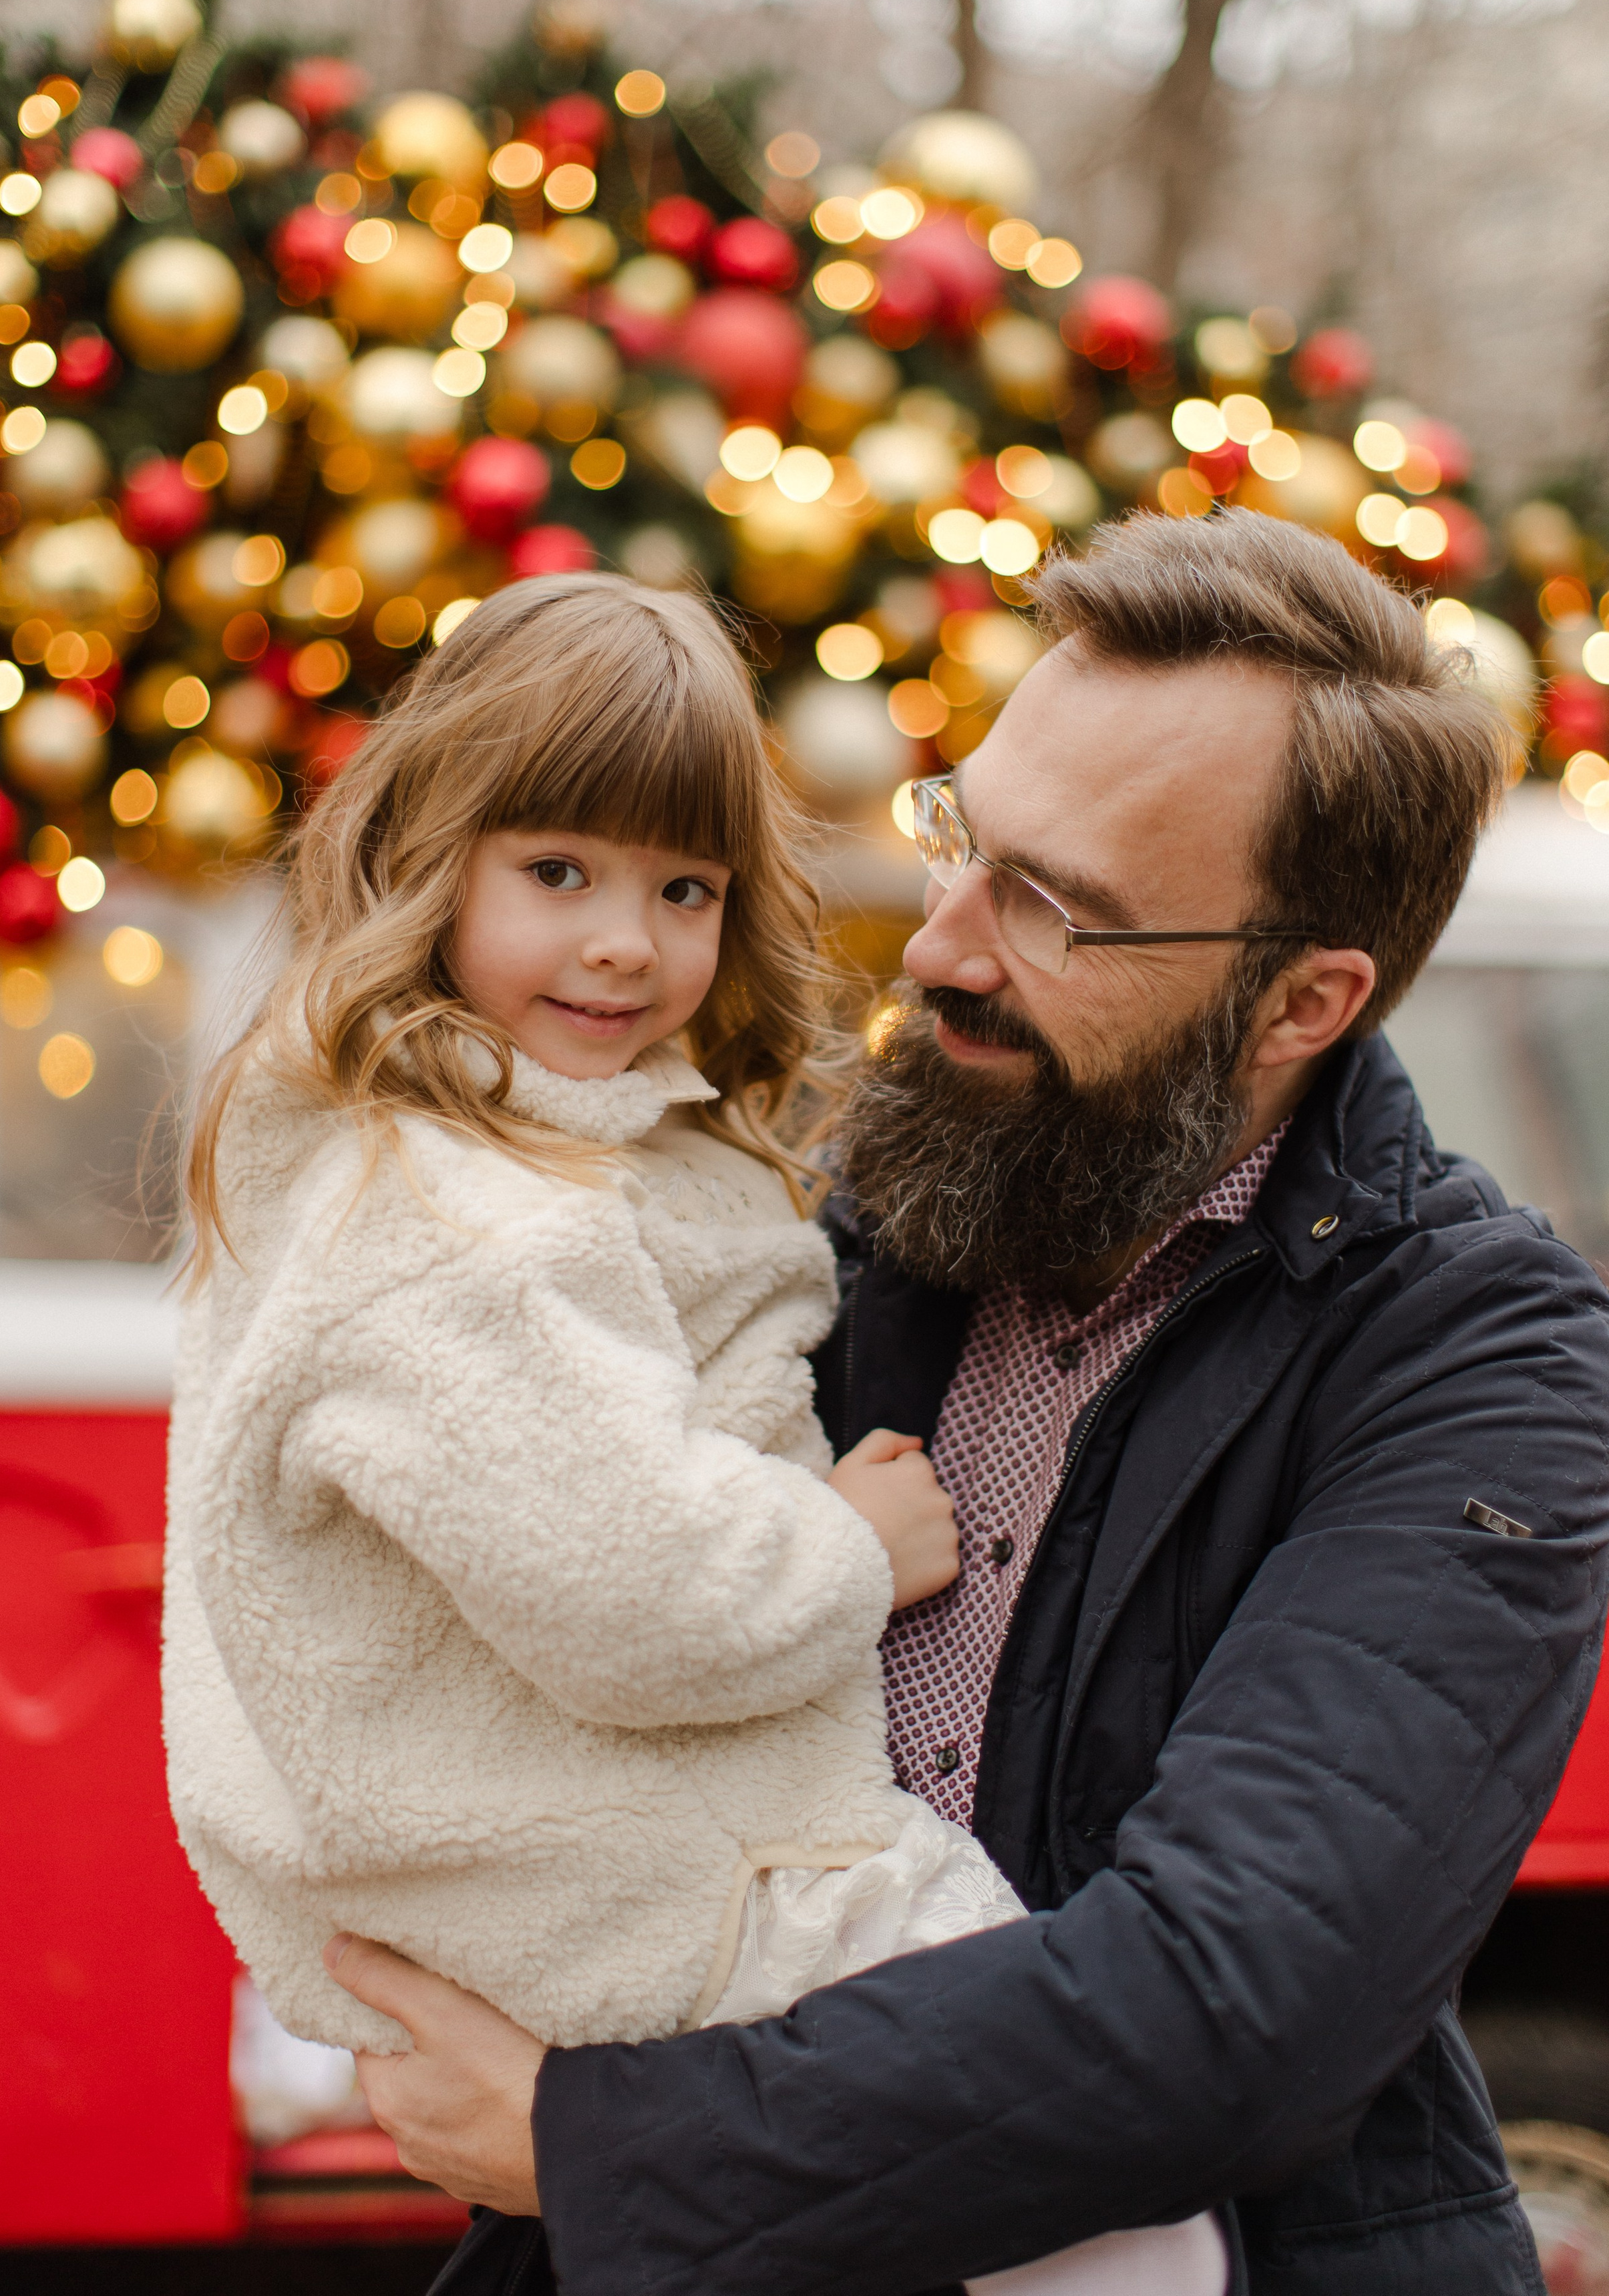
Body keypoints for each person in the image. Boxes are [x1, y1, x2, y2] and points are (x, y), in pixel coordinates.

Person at [323, 510, 1609, 2296]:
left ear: (1303, 1000)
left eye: (1054, 905)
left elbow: (1233, 2004)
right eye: (962, 841)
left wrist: (592, 2142)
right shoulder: (858, 1217)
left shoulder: (1478, 1360)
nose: (937, 947)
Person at [165, 575, 1190, 2285]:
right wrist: (845, 1552)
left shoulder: (554, 1151)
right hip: (637, 1883)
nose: (627, 940)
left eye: (683, 886)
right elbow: (630, 1590)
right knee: (1096, 2196)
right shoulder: (446, 1223)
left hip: (639, 1862)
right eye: (556, 871)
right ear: (431, 861)